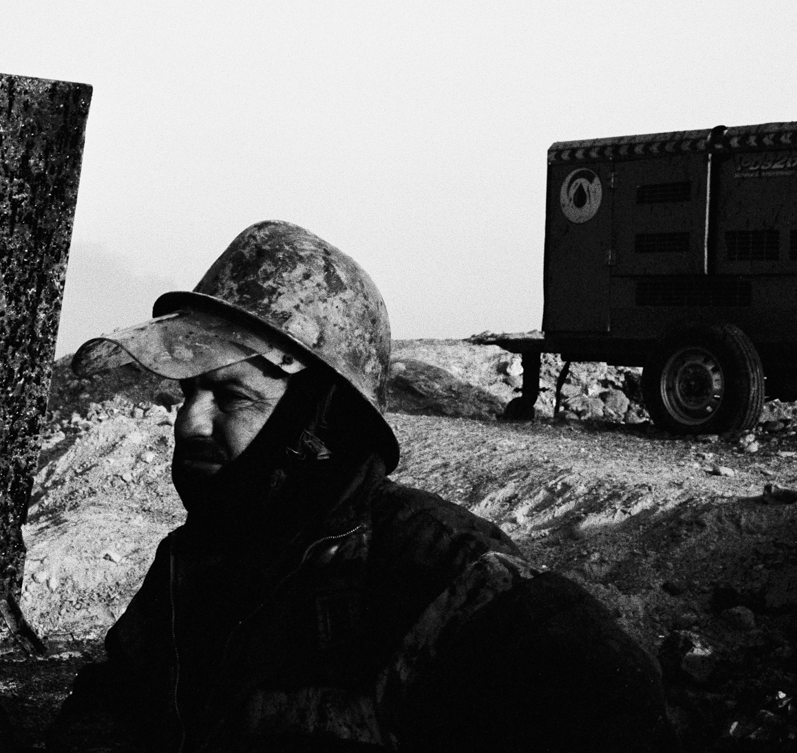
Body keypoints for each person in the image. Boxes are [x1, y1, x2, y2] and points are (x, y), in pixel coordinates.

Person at [46, 221, 673, 752]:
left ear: (320, 419)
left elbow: (616, 705)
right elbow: (117, 702)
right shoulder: (201, 558)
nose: (190, 423)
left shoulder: (439, 575)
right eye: (188, 393)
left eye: (231, 397)